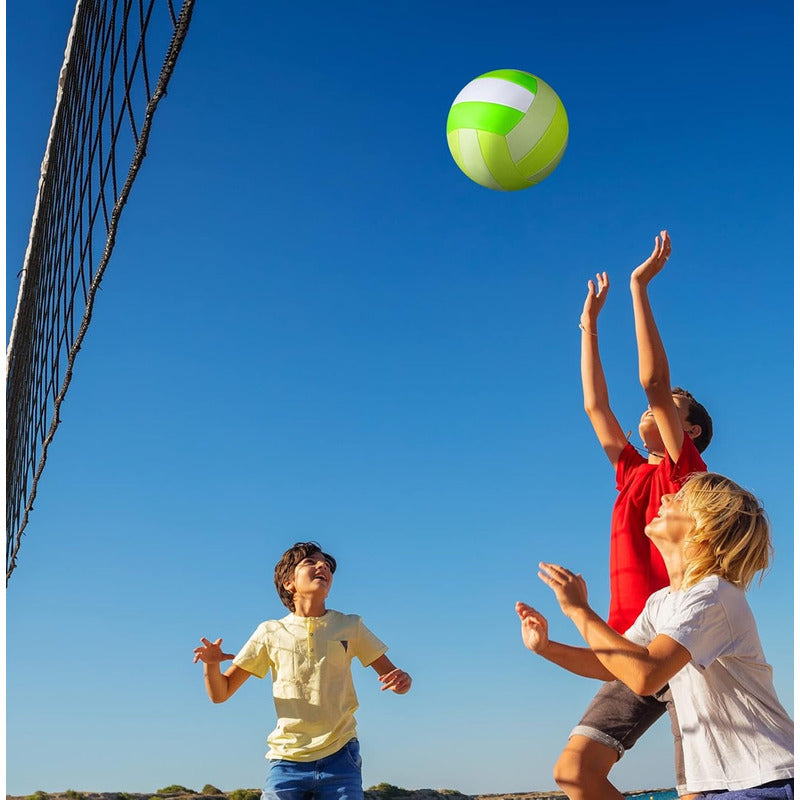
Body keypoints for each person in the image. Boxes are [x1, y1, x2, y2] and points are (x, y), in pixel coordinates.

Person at [517, 471, 794, 800]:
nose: (665, 497)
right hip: (723, 786)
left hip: (766, 780)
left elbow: (646, 675)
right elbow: (613, 666)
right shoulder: (662, 602)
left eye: (680, 499)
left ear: (704, 530)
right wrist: (547, 648)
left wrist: (579, 610)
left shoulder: (714, 595)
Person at [561, 230, 713, 799]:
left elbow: (652, 382)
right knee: (576, 772)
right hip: (632, 645)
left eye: (673, 407)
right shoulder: (630, 471)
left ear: (689, 430)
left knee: (696, 787)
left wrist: (638, 288)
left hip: (681, 641)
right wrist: (588, 327)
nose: (653, 408)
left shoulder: (684, 470)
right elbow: (595, 405)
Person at [193, 541, 412, 800]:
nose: (322, 566)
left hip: (341, 756)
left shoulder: (350, 626)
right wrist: (211, 664)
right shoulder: (269, 632)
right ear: (289, 583)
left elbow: (395, 677)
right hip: (287, 760)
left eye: (326, 565)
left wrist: (403, 681)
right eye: (310, 562)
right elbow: (221, 693)